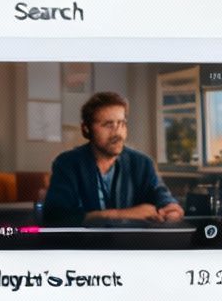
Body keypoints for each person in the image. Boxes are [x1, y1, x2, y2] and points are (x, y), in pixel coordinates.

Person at [41, 91, 184, 227]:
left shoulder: (142, 163)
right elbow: (55, 216)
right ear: (86, 129)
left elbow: (161, 196)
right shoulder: (67, 163)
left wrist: (171, 209)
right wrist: (117, 215)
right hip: (85, 243)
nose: (117, 132)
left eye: (122, 123)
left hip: (131, 243)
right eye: (108, 125)